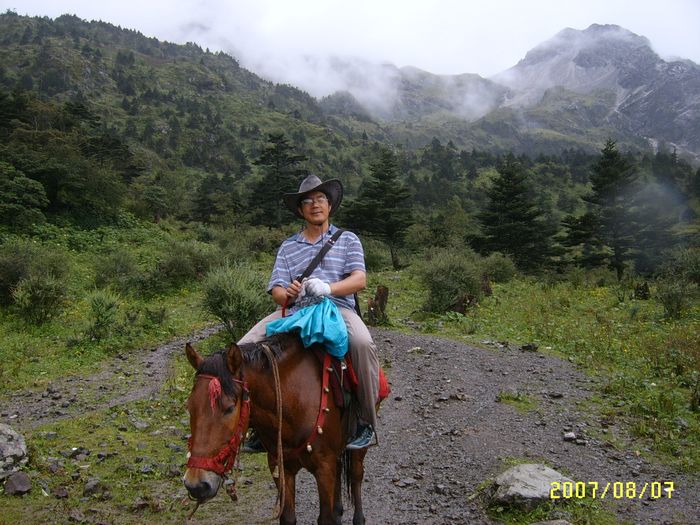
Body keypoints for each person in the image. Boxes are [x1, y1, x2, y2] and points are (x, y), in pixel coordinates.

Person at [238, 175, 379, 449]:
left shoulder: (347, 239)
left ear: (329, 205)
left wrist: (328, 287)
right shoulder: (289, 247)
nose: (315, 205)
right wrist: (288, 293)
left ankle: (366, 421)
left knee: (363, 343)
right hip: (297, 311)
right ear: (301, 210)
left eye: (321, 199)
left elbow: (359, 279)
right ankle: (257, 424)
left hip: (338, 308)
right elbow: (276, 289)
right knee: (243, 349)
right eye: (308, 201)